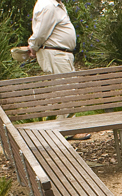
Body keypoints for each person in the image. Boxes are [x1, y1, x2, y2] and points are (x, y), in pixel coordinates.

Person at [27, 0, 90, 139]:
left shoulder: (55, 5)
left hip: (61, 54)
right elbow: (40, 33)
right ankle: (65, 131)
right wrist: (33, 46)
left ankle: (65, 129)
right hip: (56, 54)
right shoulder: (48, 5)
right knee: (67, 91)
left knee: (66, 91)